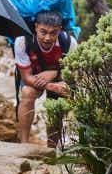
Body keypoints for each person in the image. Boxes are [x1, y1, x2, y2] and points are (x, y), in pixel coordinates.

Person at [14, 9, 76, 145]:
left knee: (57, 105)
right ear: (36, 27)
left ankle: (51, 148)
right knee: (27, 93)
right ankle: (23, 144)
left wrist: (54, 74)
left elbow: (71, 74)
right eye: (43, 32)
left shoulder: (69, 43)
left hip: (58, 78)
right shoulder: (23, 41)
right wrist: (50, 85)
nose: (47, 38)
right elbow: (26, 77)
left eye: (53, 33)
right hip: (34, 77)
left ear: (60, 30)